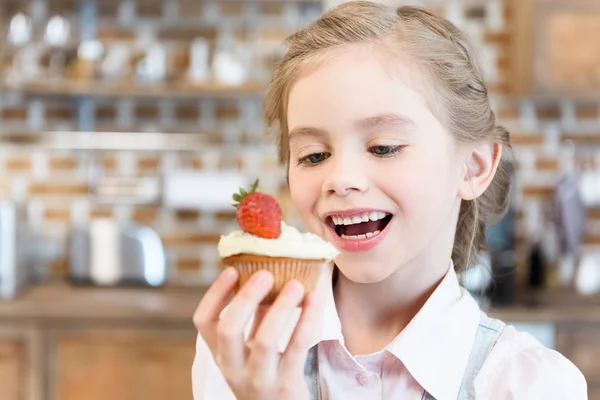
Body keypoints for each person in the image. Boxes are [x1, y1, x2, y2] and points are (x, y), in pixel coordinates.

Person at [191, 2, 587, 399]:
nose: (341, 179)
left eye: (383, 147)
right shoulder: (241, 346)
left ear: (473, 167)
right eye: (313, 155)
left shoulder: (535, 385)